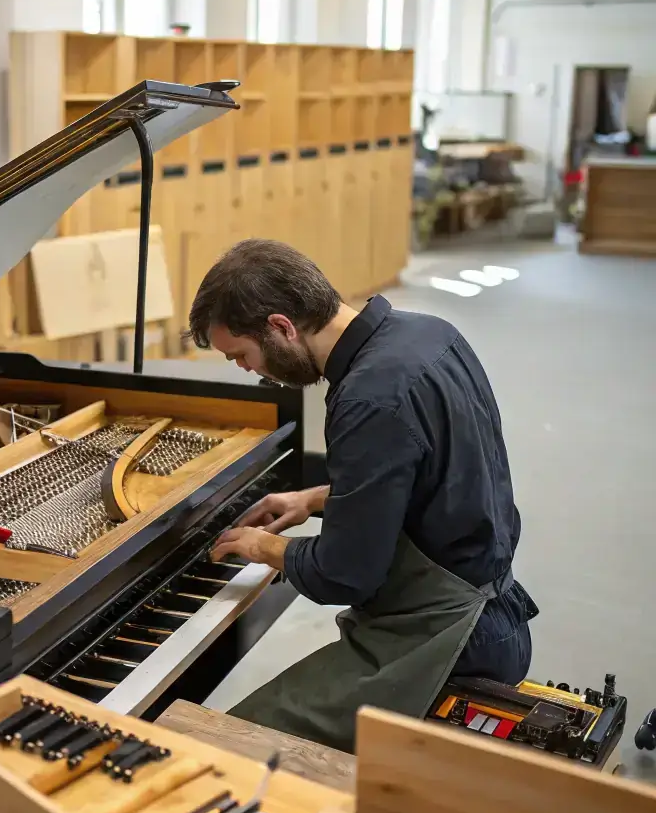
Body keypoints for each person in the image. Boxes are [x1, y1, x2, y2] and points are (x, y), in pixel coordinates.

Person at [188, 238, 538, 753]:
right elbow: (426, 476)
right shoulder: (430, 333)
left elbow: (344, 572)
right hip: (491, 612)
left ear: (281, 327)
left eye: (243, 355)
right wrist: (314, 499)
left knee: (227, 745)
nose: (247, 370)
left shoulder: (368, 397)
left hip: (450, 640)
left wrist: (263, 547)